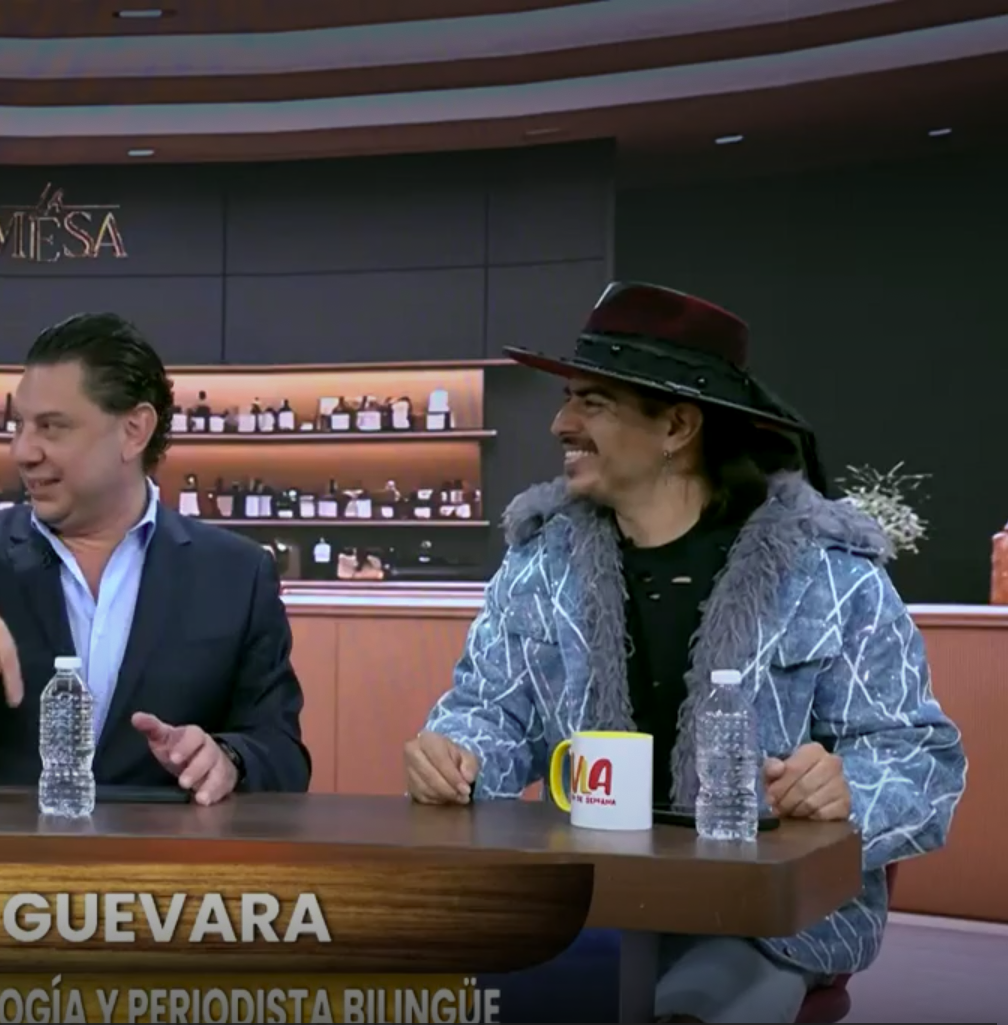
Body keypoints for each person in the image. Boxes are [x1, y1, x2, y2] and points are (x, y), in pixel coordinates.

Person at [405, 282, 966, 1023]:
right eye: (569, 397)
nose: (559, 422)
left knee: (695, 1003)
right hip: (591, 897)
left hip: (764, 924)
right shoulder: (538, 568)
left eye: (592, 402)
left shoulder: (829, 575)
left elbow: (921, 757)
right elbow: (489, 713)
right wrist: (458, 757)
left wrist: (847, 791)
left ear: (677, 424)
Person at [0, 312, 309, 802]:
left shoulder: (237, 575)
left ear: (134, 430)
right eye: (20, 425)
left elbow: (283, 754)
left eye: (52, 427)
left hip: (167, 871)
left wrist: (230, 759)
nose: (22, 451)